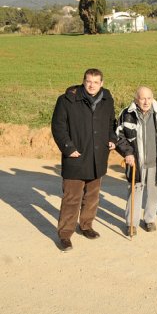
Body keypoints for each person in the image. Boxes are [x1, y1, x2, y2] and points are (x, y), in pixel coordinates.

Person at [51, 68, 117, 252]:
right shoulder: (67, 100)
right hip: (76, 155)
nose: (92, 85)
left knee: (92, 196)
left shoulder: (107, 100)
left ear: (102, 83)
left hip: (98, 156)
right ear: (83, 81)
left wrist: (112, 139)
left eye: (96, 82)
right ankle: (65, 234)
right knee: (72, 197)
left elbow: (113, 122)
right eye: (89, 81)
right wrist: (68, 148)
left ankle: (86, 225)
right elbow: (58, 126)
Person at [115, 86, 157, 236]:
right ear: (136, 99)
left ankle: (149, 219)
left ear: (153, 98)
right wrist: (127, 153)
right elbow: (118, 136)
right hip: (136, 162)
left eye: (149, 98)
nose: (146, 102)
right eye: (142, 98)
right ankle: (131, 224)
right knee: (135, 192)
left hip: (156, 161)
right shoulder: (127, 114)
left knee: (154, 192)